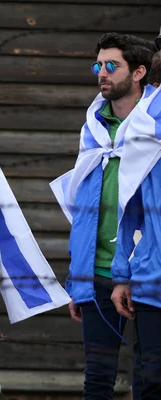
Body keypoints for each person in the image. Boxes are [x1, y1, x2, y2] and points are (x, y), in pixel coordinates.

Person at [50, 33, 156, 397]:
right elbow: (83, 209)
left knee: (149, 379)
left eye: (113, 65)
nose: (102, 73)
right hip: (96, 274)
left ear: (139, 71)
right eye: (98, 65)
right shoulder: (93, 128)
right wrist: (77, 280)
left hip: (145, 271)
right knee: (96, 379)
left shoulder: (153, 126)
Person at [111, 48, 161, 398]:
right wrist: (121, 274)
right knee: (151, 381)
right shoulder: (145, 123)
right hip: (153, 283)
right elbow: (128, 206)